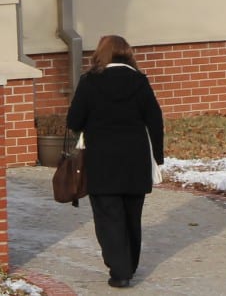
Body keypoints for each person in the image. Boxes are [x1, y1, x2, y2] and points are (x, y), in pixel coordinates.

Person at [66, 34, 164, 289]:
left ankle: (120, 271)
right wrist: (159, 157)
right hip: (135, 161)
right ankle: (129, 265)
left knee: (109, 217)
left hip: (102, 162)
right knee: (132, 216)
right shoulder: (140, 82)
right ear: (128, 54)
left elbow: (74, 121)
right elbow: (155, 119)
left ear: (102, 54)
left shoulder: (89, 82)